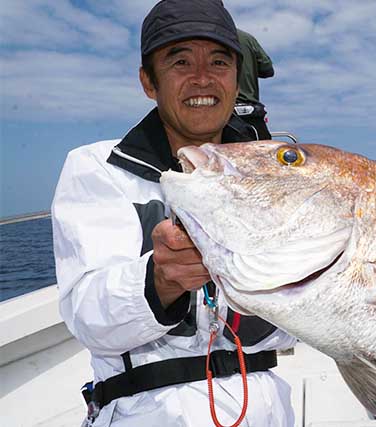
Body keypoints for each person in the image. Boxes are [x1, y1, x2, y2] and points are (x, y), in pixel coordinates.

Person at [51, 1, 296, 426]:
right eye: (180, 61)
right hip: (143, 411)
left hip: (270, 408)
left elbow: (289, 329)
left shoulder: (273, 177)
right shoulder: (96, 168)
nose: (202, 77)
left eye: (219, 61)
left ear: (236, 79)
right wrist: (160, 279)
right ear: (149, 81)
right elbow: (89, 318)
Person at [234, 29, 275, 140]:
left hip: (218, 113)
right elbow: (268, 69)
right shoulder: (247, 38)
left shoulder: (206, 36)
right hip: (251, 114)